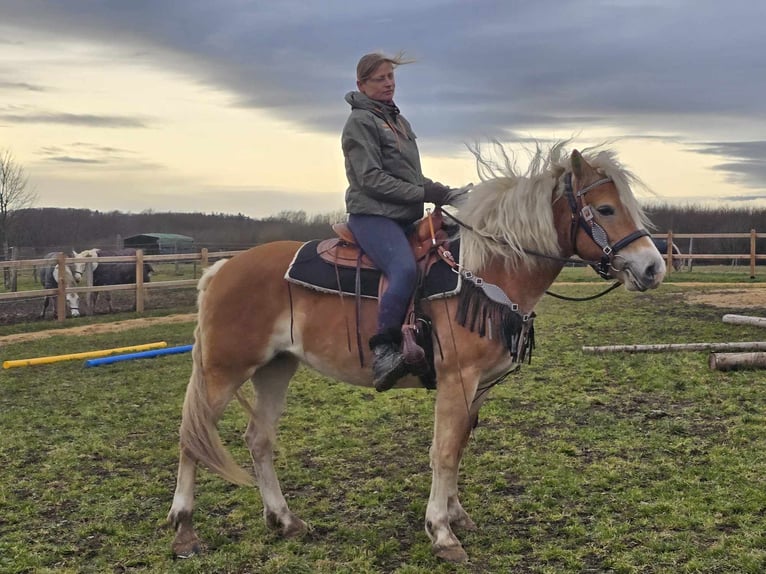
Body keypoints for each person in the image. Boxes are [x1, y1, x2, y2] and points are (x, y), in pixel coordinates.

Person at [341, 51, 467, 392]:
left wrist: (444, 193)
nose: (388, 84)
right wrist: (421, 194)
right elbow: (370, 179)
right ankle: (384, 349)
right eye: (380, 78)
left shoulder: (398, 121)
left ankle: (427, 342)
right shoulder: (360, 123)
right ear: (361, 85)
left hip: (403, 215)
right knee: (404, 270)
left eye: (391, 78)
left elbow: (411, 177)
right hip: (372, 215)